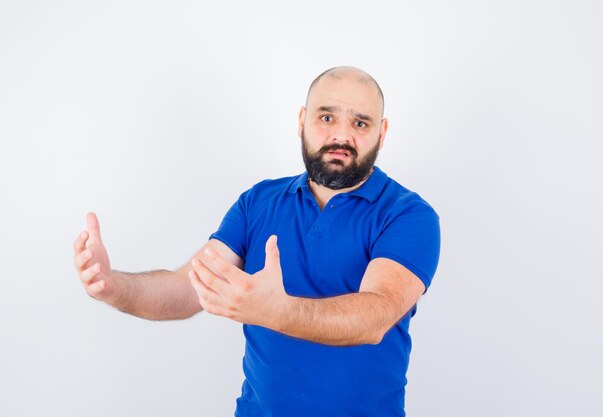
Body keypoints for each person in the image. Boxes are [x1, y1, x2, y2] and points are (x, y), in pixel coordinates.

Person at [73, 66, 441, 417]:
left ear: (382, 131)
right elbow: (186, 291)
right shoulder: (258, 202)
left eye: (360, 122)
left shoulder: (409, 215)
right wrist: (113, 287)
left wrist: (275, 312)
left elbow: (374, 317)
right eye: (326, 117)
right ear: (302, 120)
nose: (341, 136)